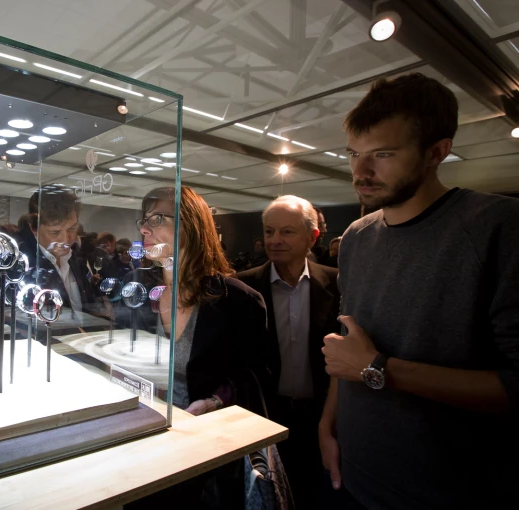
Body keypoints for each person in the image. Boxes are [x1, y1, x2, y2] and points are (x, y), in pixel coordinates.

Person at [320, 73, 519, 509]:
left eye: (382, 154)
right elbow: (349, 349)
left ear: (437, 152)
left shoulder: (499, 228)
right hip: (354, 474)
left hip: (447, 489)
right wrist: (328, 425)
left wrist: (378, 368)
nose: (360, 172)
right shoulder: (355, 236)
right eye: (354, 154)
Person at [126, 186, 268, 509]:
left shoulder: (239, 301)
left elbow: (256, 377)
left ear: (191, 225)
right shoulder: (139, 292)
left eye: (157, 219)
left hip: (207, 460)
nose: (144, 229)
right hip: (142, 449)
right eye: (143, 221)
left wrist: (214, 402)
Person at [236, 195, 340, 509]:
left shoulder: (338, 285)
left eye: (286, 232)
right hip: (265, 419)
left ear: (313, 236)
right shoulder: (242, 290)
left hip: (323, 418)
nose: (275, 240)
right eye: (269, 232)